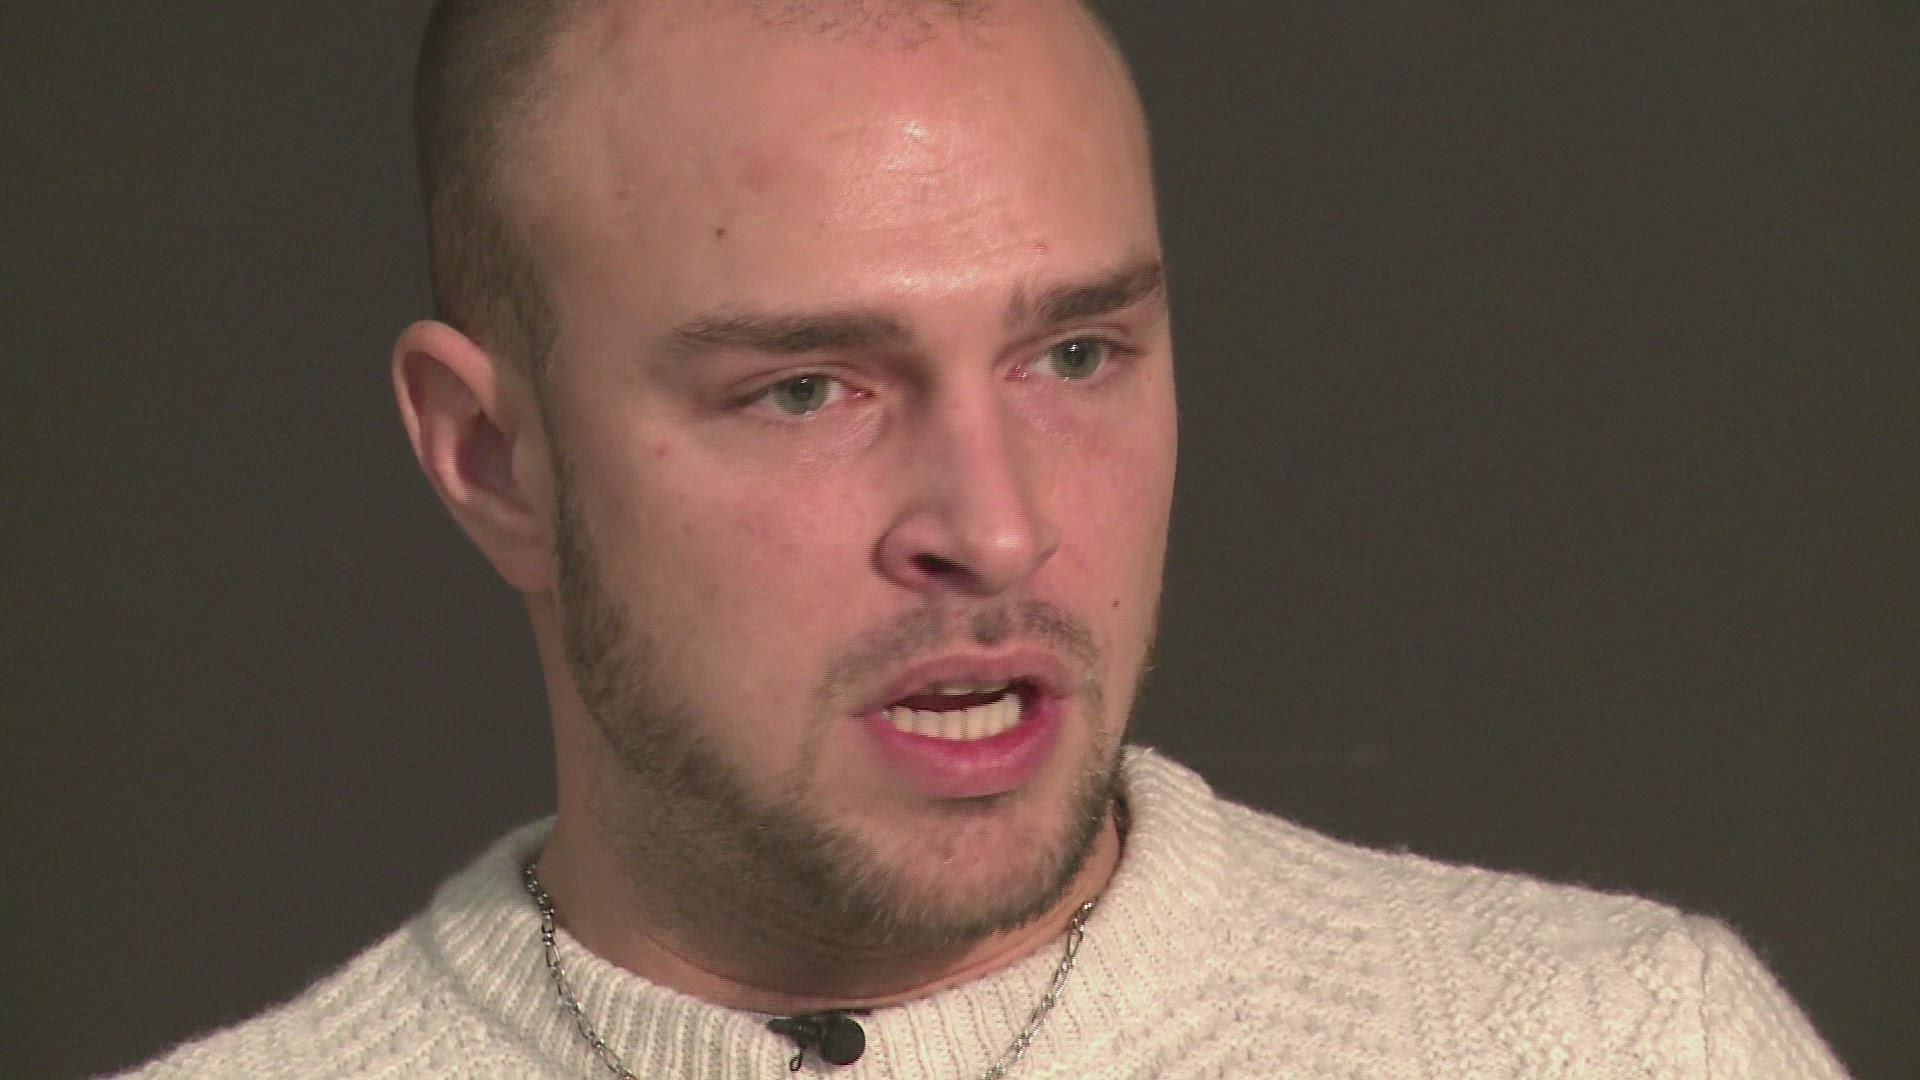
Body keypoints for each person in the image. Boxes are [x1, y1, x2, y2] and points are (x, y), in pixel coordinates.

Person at [117, 0, 1849, 1076]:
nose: (999, 530)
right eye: (808, 389)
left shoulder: (1616, 1050)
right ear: (494, 458)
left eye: (1075, 355)